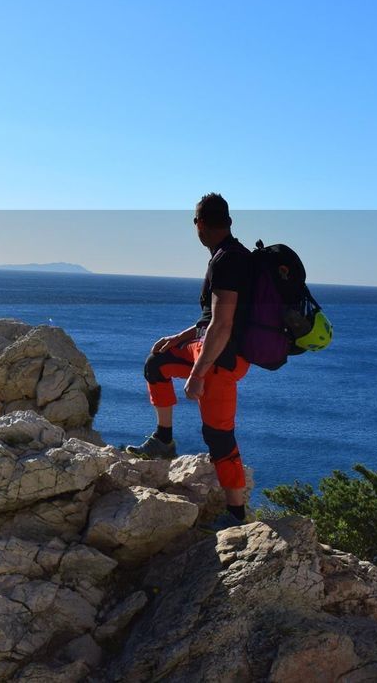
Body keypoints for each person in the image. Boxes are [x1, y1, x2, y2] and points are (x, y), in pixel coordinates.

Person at [125, 192, 254, 530]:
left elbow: (222, 324)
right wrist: (180, 339)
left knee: (219, 436)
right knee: (157, 363)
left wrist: (197, 374)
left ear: (200, 224)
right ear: (227, 221)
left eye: (194, 221)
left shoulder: (228, 261)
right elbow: (212, 317)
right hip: (209, 349)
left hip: (220, 361)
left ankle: (237, 516)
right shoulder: (229, 254)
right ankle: (164, 439)